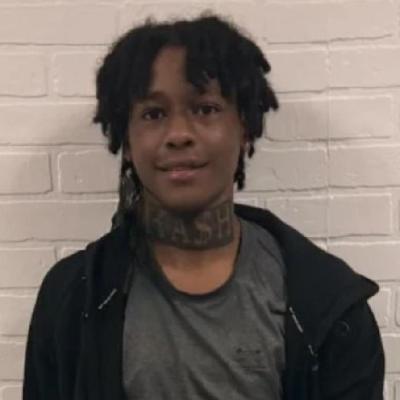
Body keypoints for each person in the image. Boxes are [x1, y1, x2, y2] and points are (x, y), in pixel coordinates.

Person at [23, 14, 385, 400]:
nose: (179, 134)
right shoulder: (70, 299)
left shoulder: (329, 306)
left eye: (205, 108)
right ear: (127, 141)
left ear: (244, 128)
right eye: (153, 114)